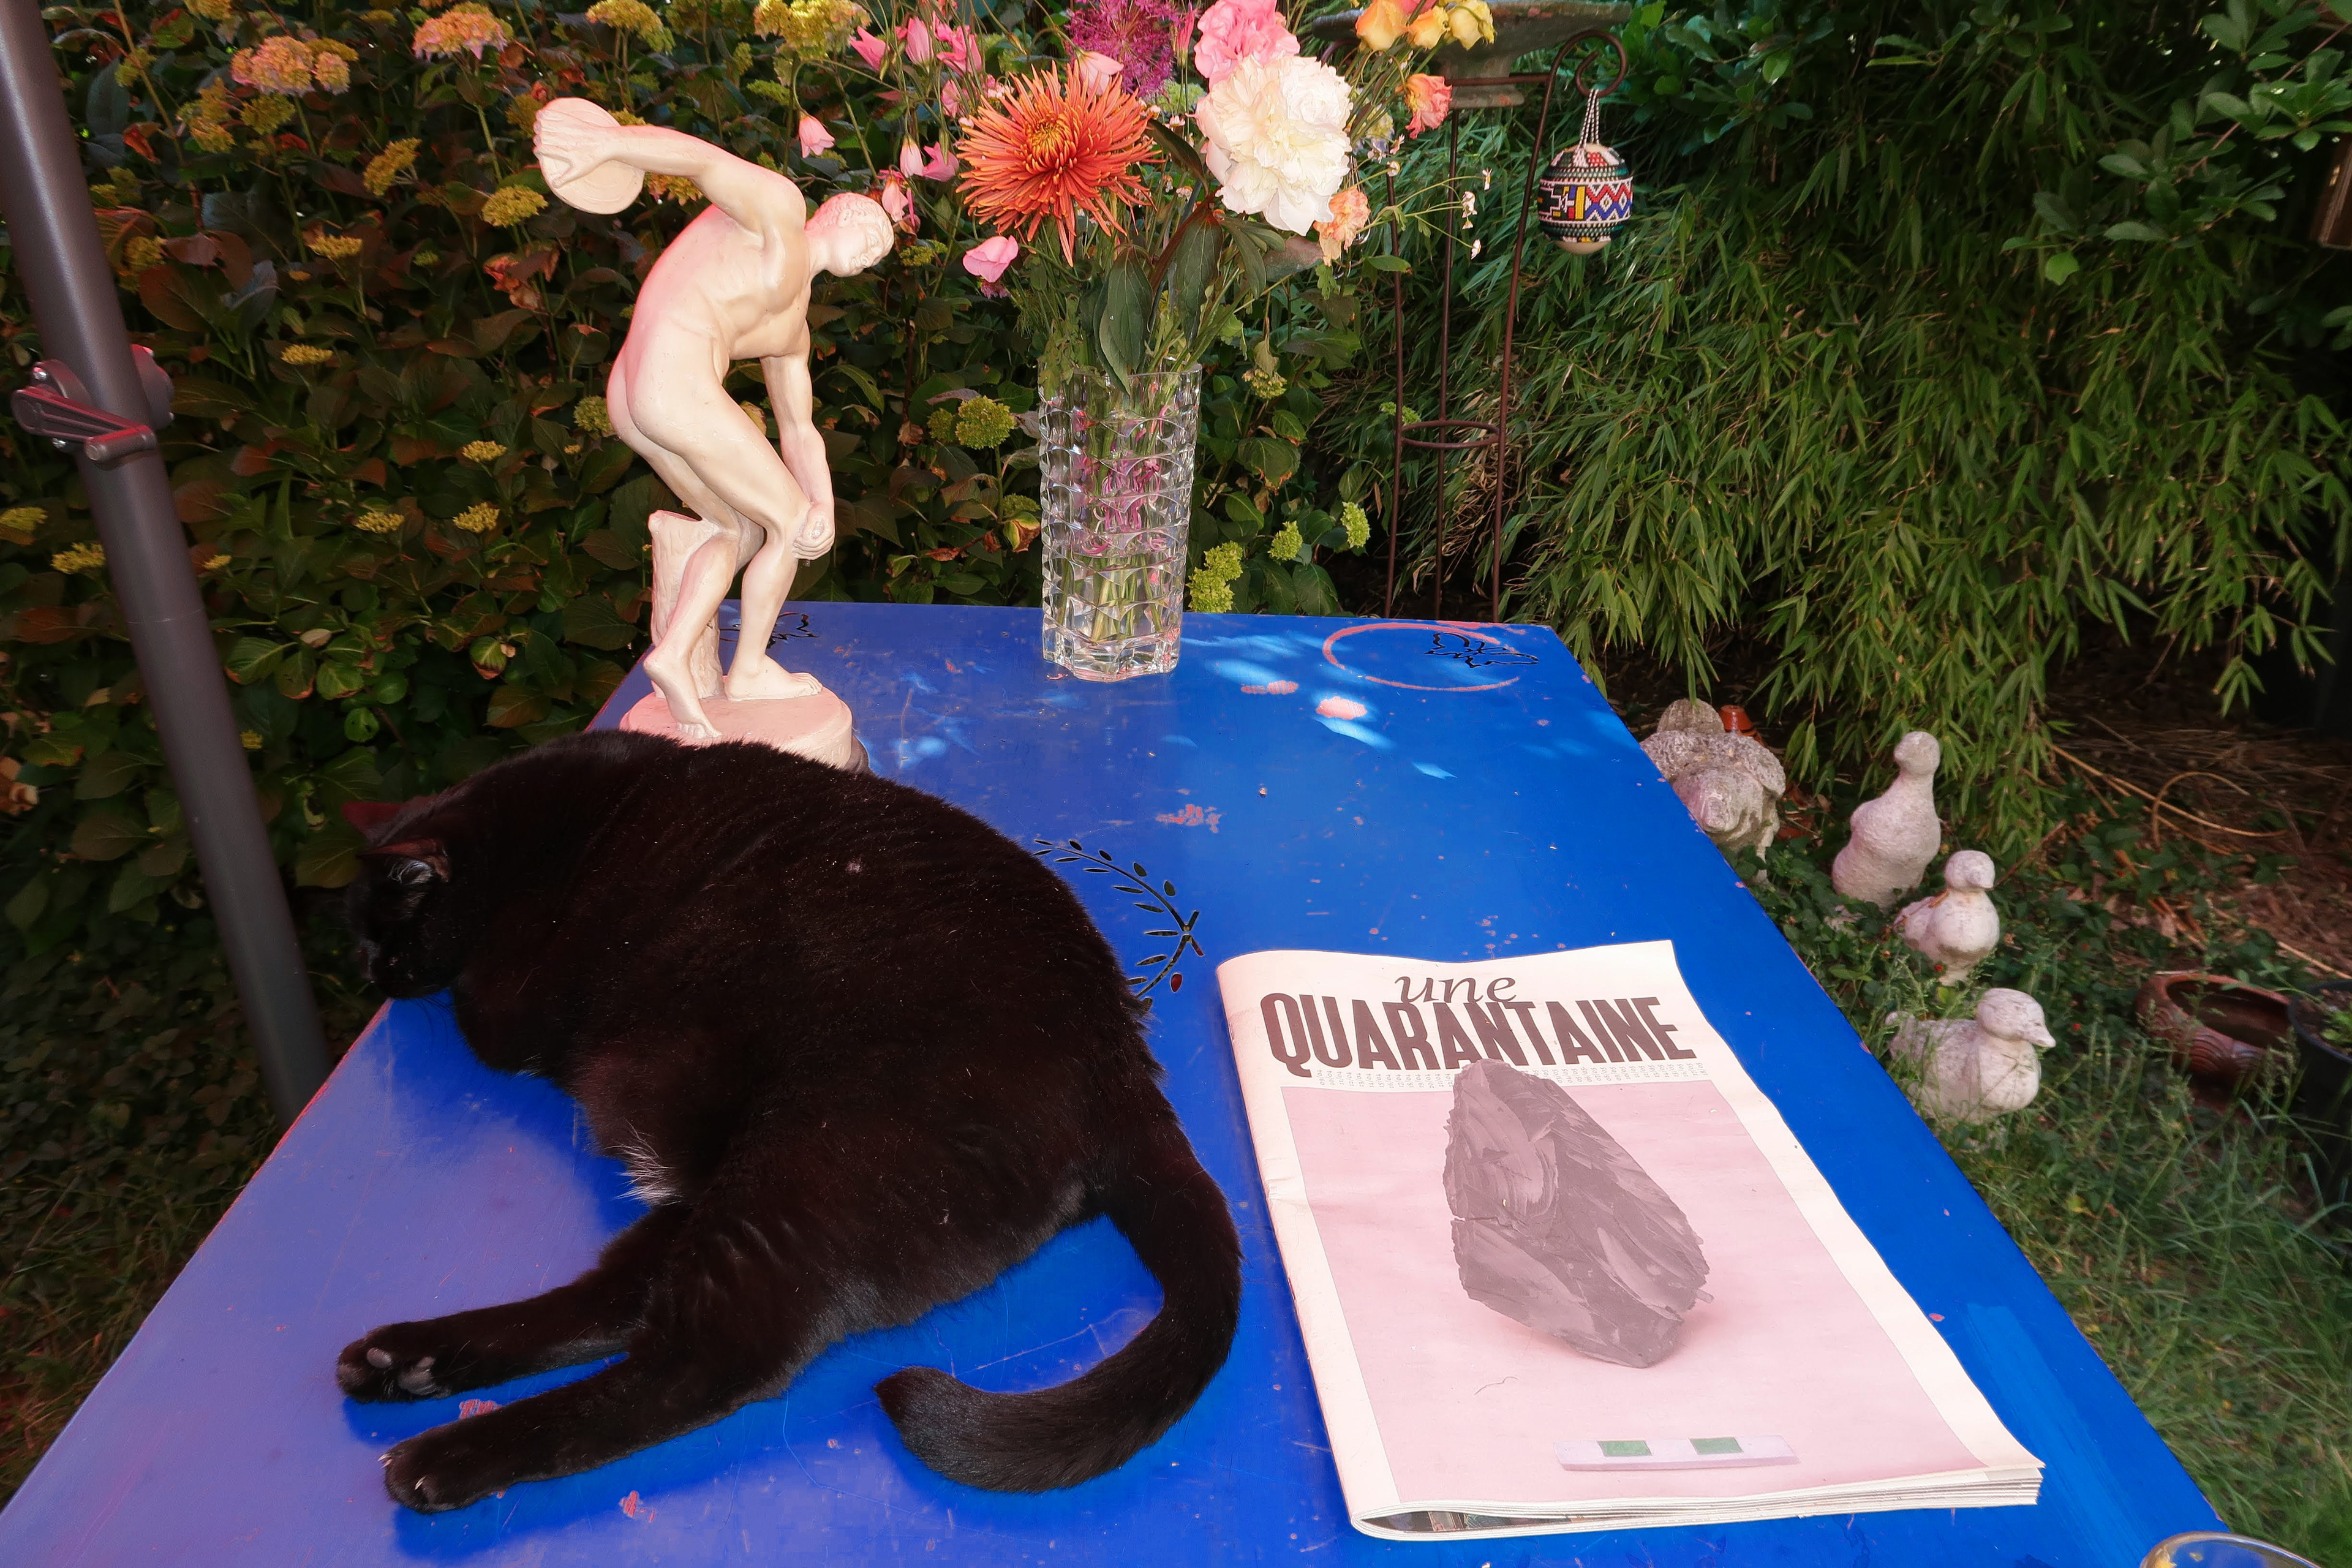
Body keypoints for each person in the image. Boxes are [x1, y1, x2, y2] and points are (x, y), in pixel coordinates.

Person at [534, 105, 893, 740]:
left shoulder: (792, 329)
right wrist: (609, 143)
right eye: (871, 230)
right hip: (668, 378)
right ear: (835, 213)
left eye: (880, 251)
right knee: (784, 524)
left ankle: (673, 653)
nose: (874, 250)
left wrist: (822, 502)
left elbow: (800, 427)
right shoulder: (779, 210)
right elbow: (703, 161)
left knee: (741, 528)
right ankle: (748, 670)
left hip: (639, 393)